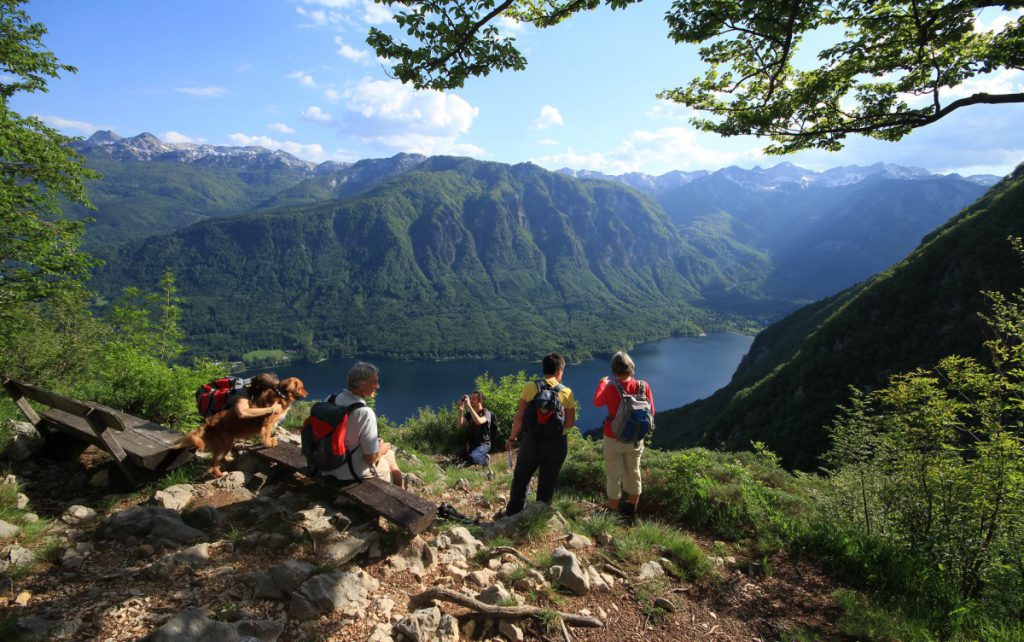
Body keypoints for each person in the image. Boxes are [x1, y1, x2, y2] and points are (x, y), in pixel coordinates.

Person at [502, 353, 576, 516]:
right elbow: (570, 423)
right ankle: (539, 517)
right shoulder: (566, 392)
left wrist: (512, 438)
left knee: (521, 478)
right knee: (547, 482)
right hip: (556, 444)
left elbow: (519, 417)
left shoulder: (530, 387)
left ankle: (513, 515)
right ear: (559, 371)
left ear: (544, 369)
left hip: (531, 442)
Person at [593, 351, 654, 522]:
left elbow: (597, 402)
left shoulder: (612, 387)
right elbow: (652, 412)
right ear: (631, 368)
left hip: (613, 438)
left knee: (614, 475)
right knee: (633, 471)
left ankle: (613, 510)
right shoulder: (644, 386)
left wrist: (601, 384)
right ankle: (631, 510)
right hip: (636, 440)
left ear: (613, 370)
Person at [321, 362, 404, 487]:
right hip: (348, 473)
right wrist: (382, 449)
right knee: (389, 454)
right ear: (361, 385)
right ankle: (398, 495)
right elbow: (370, 458)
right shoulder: (365, 413)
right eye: (375, 382)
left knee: (390, 455)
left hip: (327, 465)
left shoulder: (331, 399)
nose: (378, 386)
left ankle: (400, 491)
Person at [456, 390, 495, 466]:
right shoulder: (470, 413)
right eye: (470, 399)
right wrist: (461, 411)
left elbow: (479, 421)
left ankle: (485, 459)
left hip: (484, 444)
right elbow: (459, 426)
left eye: (473, 399)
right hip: (473, 444)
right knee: (459, 457)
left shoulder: (486, 412)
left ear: (480, 400)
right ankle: (473, 458)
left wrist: (469, 407)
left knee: (472, 458)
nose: (471, 401)